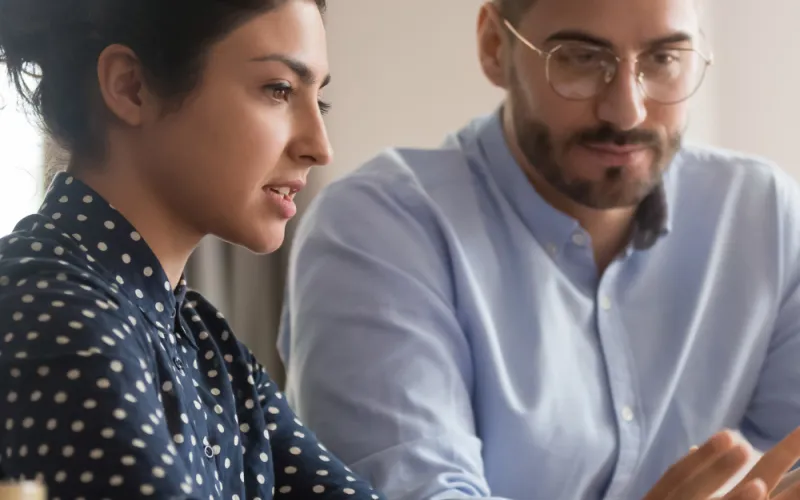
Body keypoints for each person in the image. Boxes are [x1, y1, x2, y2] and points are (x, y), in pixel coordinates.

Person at [278, 0, 800, 498]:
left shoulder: (761, 216)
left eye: (663, 59)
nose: (626, 110)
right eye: (580, 58)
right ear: (493, 46)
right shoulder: (376, 230)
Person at [0, 0, 385, 498]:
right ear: (129, 87)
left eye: (320, 102)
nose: (319, 145)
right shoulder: (52, 315)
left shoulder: (206, 342)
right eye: (279, 90)